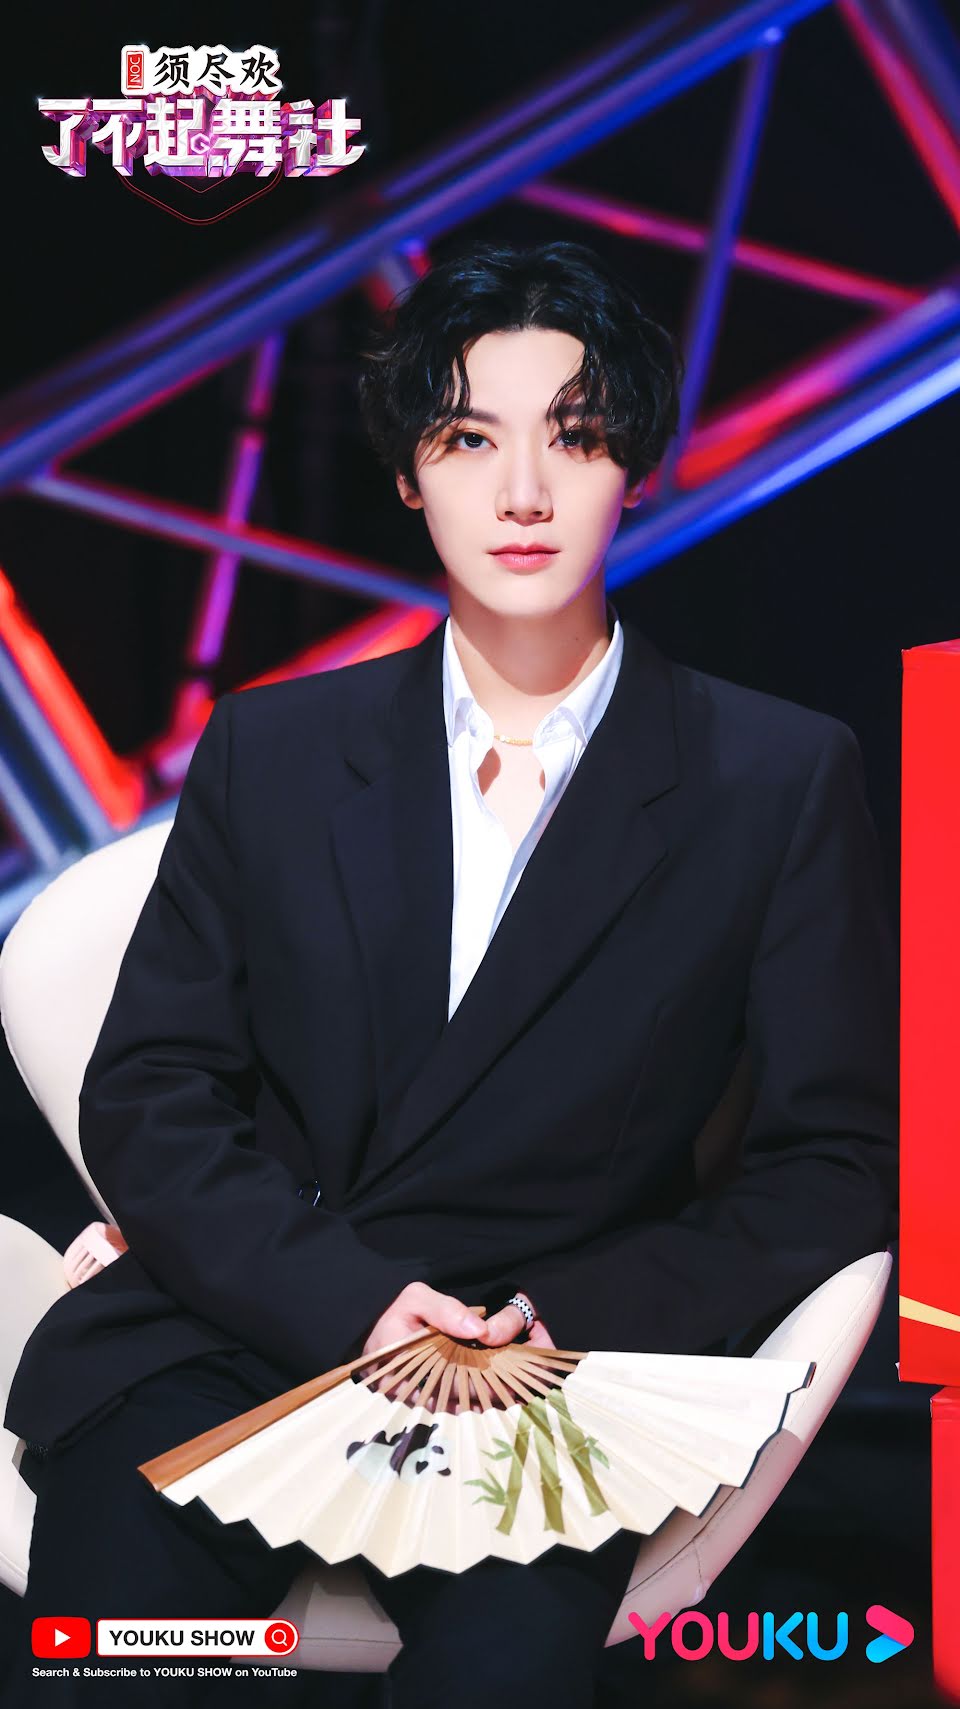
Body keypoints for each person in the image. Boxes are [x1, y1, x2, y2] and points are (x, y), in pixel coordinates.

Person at [1, 240, 898, 1708]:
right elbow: (154, 1092)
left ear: (637, 468)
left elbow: (834, 1159)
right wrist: (347, 1299)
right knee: (122, 1659)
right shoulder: (274, 749)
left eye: (577, 436)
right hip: (246, 1331)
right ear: (413, 475)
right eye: (471, 440)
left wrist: (564, 1316)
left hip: (541, 1374)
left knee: (501, 1675)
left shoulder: (773, 776)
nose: (523, 492)